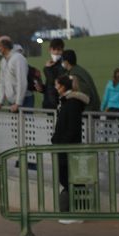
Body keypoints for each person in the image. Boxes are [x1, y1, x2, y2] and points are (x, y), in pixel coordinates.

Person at [52, 75, 88, 217]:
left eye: (57, 85)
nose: (55, 88)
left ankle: (79, 210)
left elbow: (72, 127)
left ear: (62, 86)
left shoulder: (72, 103)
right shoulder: (65, 102)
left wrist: (62, 141)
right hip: (63, 146)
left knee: (72, 179)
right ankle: (74, 210)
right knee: (67, 178)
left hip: (68, 147)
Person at [0, 36, 27, 112]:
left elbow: (22, 81)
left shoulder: (18, 58)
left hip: (23, 101)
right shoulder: (3, 61)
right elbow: (2, 82)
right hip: (12, 102)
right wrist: (0, 101)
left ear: (3, 47)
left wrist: (18, 103)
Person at [42, 38, 67, 110]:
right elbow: (50, 86)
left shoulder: (63, 65)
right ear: (50, 50)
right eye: (54, 49)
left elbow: (54, 82)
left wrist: (46, 69)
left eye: (59, 50)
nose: (56, 52)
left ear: (62, 51)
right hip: (49, 104)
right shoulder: (51, 65)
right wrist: (42, 88)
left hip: (57, 105)